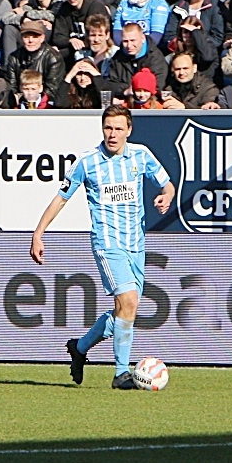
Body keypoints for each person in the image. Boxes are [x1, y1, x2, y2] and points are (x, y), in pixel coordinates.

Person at [31, 104, 173, 390]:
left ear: (128, 130)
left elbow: (167, 184)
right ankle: (121, 373)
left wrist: (166, 195)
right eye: (108, 127)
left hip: (136, 243)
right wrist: (39, 232)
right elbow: (61, 197)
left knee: (126, 311)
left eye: (119, 128)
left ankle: (80, 347)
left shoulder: (140, 155)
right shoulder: (87, 162)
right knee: (129, 303)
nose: (113, 133)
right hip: (108, 244)